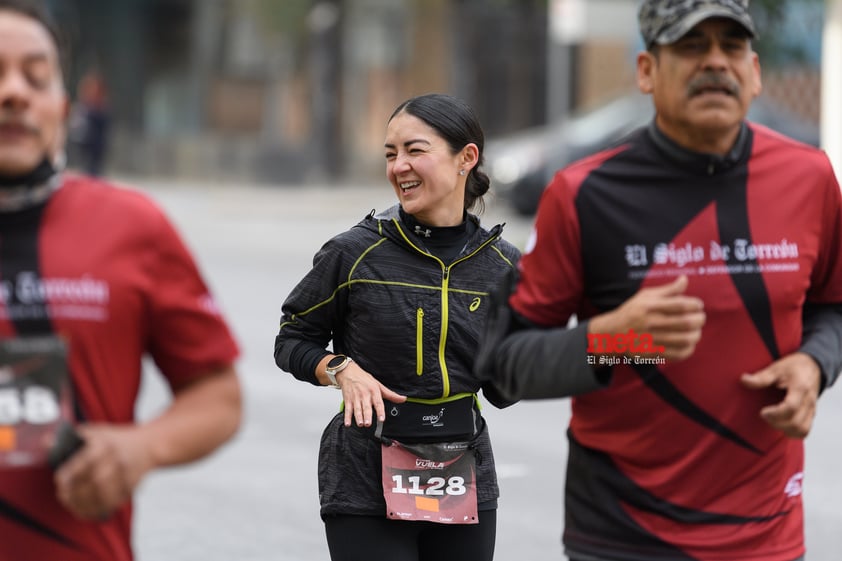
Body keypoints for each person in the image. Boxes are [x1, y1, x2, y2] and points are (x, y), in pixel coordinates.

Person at [475, 1, 842, 560]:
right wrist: (612, 337)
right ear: (646, 70)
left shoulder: (810, 177)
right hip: (625, 535)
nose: (715, 62)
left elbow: (834, 307)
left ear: (755, 70)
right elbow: (502, 368)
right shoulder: (584, 193)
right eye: (692, 47)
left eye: (732, 46)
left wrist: (814, 363)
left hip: (766, 534)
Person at [0, 2, 243, 560]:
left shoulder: (132, 227)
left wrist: (141, 448)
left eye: (35, 76)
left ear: (61, 108)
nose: (14, 92)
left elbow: (218, 394)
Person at [274, 92, 521, 561]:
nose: (399, 166)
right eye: (391, 154)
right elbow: (292, 340)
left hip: (462, 468)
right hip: (365, 469)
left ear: (466, 158)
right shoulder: (354, 253)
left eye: (414, 150)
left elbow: (503, 390)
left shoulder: (504, 268)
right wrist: (340, 368)